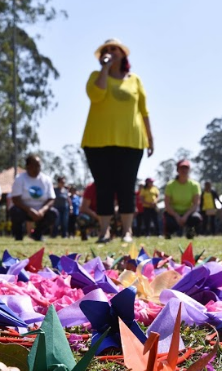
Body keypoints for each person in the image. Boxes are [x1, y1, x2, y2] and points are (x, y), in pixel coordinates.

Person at [82, 38, 154, 244]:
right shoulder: (96, 76)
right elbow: (96, 96)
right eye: (107, 50)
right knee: (103, 185)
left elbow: (144, 111)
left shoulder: (135, 80)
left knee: (126, 186)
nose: (111, 52)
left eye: (115, 49)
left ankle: (127, 231)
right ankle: (104, 232)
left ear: (123, 54)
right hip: (97, 141)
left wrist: (150, 137)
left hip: (131, 141)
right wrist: (105, 69)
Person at [9, 154, 57, 241]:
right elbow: (15, 199)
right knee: (14, 211)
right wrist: (29, 210)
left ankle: (37, 234)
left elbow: (51, 198)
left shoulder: (46, 179)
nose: (37, 168)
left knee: (53, 213)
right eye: (35, 165)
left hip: (41, 210)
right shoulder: (20, 179)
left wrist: (42, 210)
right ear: (27, 166)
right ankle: (18, 236)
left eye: (39, 166)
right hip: (24, 209)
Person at [164, 159, 202, 239]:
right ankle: (170, 232)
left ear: (189, 170)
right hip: (174, 213)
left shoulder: (195, 185)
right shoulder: (170, 185)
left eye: (186, 168)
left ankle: (190, 231)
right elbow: (167, 205)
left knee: (196, 218)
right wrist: (176, 216)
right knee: (167, 219)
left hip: (188, 213)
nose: (184, 170)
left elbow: (196, 204)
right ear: (177, 170)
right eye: (181, 168)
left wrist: (185, 216)